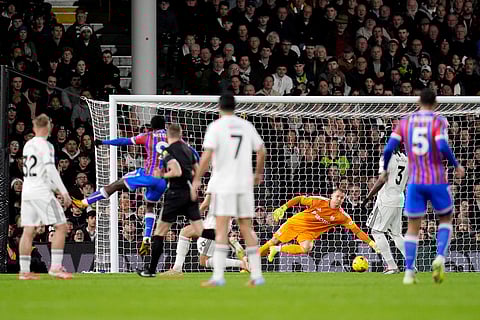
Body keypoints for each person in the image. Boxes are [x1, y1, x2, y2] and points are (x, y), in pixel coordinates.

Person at [382, 88, 465, 285]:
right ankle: (440, 257)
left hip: (415, 181)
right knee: (445, 218)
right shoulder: (439, 121)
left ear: (418, 101)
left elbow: (388, 148)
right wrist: (456, 165)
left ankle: (409, 272)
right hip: (436, 179)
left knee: (412, 227)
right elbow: (443, 146)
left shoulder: (405, 121)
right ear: (435, 103)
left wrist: (384, 169)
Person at [191, 94, 266, 287]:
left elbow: (206, 156)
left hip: (224, 184)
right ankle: (257, 275)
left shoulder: (216, 127)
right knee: (246, 228)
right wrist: (257, 174)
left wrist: (198, 179)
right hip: (244, 183)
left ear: (219, 108)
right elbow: (261, 150)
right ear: (234, 107)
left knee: (222, 228)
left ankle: (218, 277)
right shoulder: (246, 126)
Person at [74, 116, 169, 254]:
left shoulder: (147, 135)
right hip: (163, 180)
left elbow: (124, 141)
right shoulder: (174, 138)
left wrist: (103, 142)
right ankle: (147, 237)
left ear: (151, 127)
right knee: (150, 206)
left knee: (117, 184)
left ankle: (85, 202)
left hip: (148, 174)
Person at [138, 124, 206, 277]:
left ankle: (150, 270)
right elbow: (198, 169)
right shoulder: (189, 150)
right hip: (189, 194)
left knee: (159, 233)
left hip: (175, 194)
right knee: (201, 231)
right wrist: (195, 186)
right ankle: (228, 239)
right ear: (181, 134)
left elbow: (176, 171)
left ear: (168, 136)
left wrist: (161, 176)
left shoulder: (168, 151)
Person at [19, 114, 72, 280]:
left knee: (28, 230)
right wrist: (63, 191)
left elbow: (38, 171)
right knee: (62, 226)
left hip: (27, 191)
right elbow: (49, 169)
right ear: (48, 127)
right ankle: (56, 267)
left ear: (35, 128)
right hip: (41, 192)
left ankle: (24, 271)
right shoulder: (46, 145)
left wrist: (52, 186)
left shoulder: (28, 145)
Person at [259, 189, 380, 262]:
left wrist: (371, 243)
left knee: (306, 248)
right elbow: (300, 199)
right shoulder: (319, 201)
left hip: (309, 233)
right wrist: (284, 207)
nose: (339, 199)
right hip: (296, 223)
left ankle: (277, 249)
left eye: (342, 198)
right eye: (337, 196)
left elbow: (357, 231)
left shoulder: (342, 216)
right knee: (273, 240)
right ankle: (250, 263)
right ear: (332, 196)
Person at [160, 182, 249, 277]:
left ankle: (177, 269)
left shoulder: (215, 180)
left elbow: (205, 204)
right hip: (220, 222)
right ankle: (240, 259)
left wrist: (194, 217)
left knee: (187, 235)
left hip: (214, 224)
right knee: (202, 259)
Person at [362, 146, 408, 274]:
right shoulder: (405, 159)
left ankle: (392, 266)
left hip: (386, 199)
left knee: (376, 231)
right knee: (396, 233)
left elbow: (382, 179)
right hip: (399, 198)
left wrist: (368, 197)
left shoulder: (386, 157)